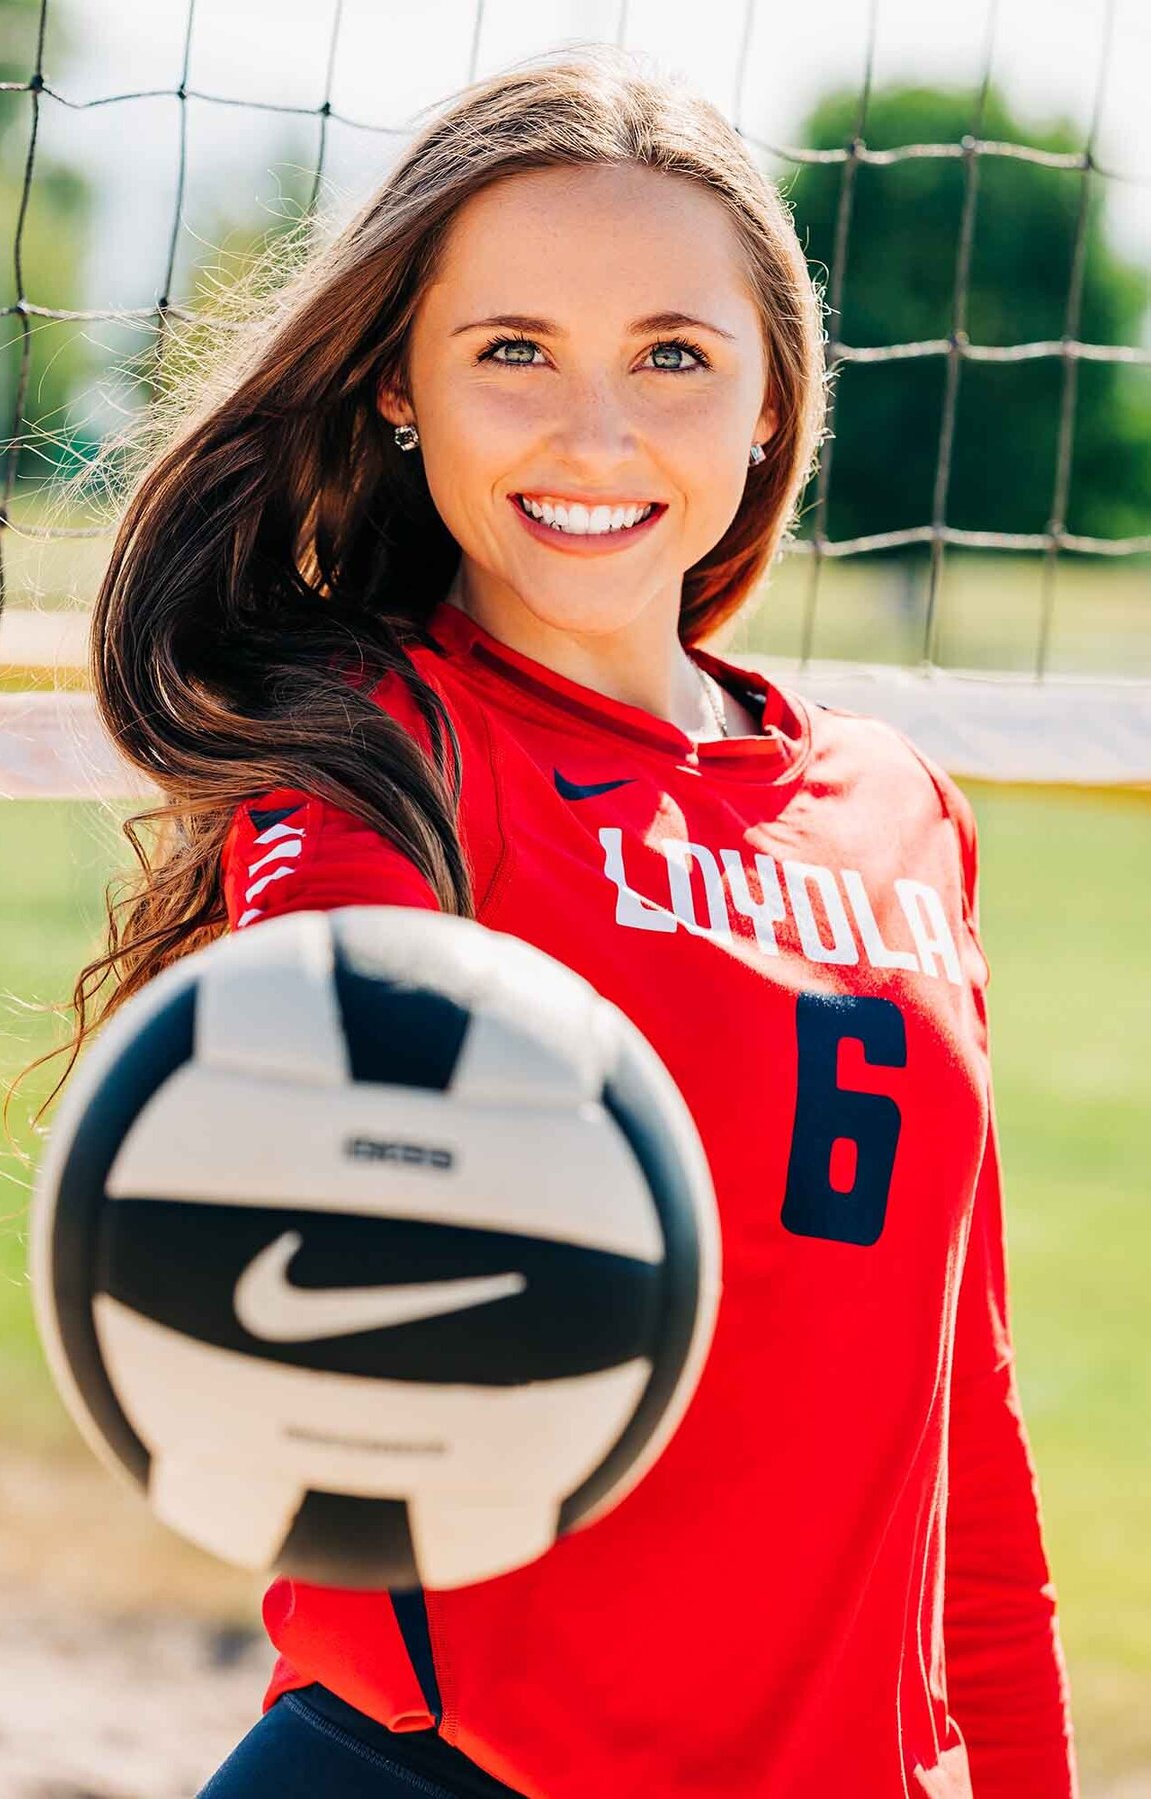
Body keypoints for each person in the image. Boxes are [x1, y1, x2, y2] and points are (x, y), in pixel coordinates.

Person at [60, 42, 1077, 1799]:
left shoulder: (904, 811)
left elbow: (957, 1427)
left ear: (774, 399)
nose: (593, 433)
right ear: (399, 390)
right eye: (511, 350)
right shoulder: (381, 760)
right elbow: (302, 1134)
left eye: (674, 355)